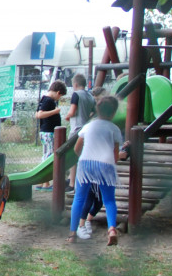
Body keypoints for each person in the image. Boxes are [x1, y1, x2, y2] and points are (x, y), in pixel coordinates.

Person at [68, 95, 124, 246]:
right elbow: (116, 154)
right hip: (106, 164)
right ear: (113, 113)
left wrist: (84, 158)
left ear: (97, 111)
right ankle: (111, 229)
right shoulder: (114, 129)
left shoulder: (88, 126)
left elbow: (77, 148)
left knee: (79, 198)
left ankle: (73, 233)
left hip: (86, 163)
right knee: (109, 200)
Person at [34, 79, 67, 190]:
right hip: (49, 132)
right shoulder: (49, 101)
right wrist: (55, 111)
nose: (59, 98)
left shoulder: (44, 99)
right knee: (49, 157)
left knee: (46, 155)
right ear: (58, 92)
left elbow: (37, 113)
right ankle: (45, 182)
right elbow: (40, 115)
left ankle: (44, 182)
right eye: (60, 96)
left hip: (45, 131)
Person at [66, 73, 96, 190]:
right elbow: (94, 112)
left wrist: (67, 116)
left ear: (75, 84)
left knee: (72, 156)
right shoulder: (90, 96)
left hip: (76, 129)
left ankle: (72, 183)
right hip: (87, 128)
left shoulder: (76, 94)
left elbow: (72, 111)